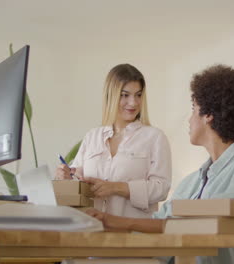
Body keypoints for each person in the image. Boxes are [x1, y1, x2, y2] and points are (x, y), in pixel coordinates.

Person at [86, 65, 234, 264]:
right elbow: (161, 220)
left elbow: (212, 223)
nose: (189, 119)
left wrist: (120, 221)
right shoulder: (192, 182)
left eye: (193, 110)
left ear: (208, 115)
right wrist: (108, 220)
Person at [56, 63, 172, 219]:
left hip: (133, 234)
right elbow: (78, 179)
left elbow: (161, 188)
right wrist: (67, 177)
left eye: (138, 95)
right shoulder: (92, 137)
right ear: (111, 95)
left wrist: (117, 188)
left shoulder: (154, 137)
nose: (133, 103)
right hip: (91, 232)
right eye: (125, 95)